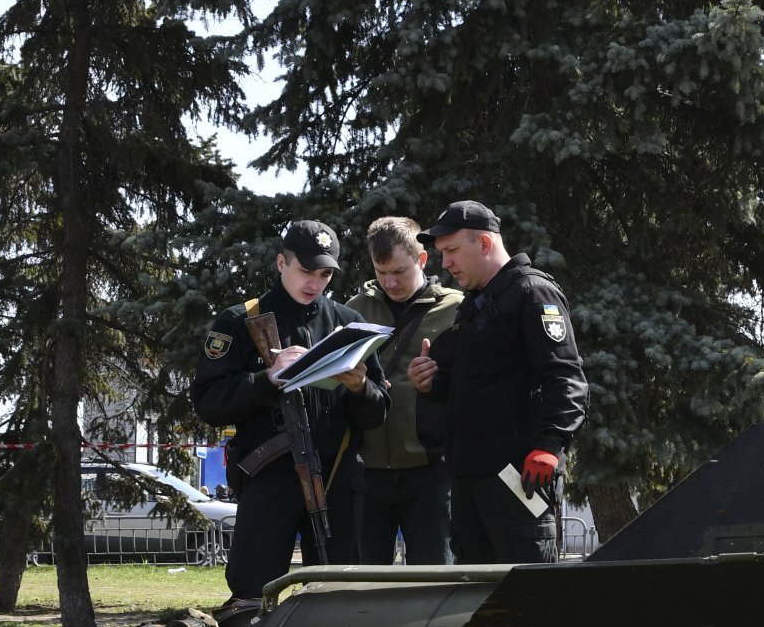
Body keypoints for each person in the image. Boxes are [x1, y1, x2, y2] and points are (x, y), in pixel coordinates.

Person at [193, 220, 390, 604]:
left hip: (336, 482)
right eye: (306, 270)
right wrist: (268, 378)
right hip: (270, 481)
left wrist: (359, 387)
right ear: (281, 262)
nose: (315, 283)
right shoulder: (240, 321)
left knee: (340, 598)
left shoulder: (349, 325)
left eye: (325, 274)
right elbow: (209, 402)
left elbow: (378, 414)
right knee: (252, 595)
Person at [405, 200, 586, 564]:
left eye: (452, 251)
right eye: (441, 253)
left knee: (526, 597)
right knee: (473, 599)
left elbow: (566, 377)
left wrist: (549, 445)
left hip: (518, 478)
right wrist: (431, 383)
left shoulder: (533, 293)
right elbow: (471, 387)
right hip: (470, 479)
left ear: (485, 244)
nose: (446, 263)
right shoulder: (475, 304)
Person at [347, 215, 464, 564]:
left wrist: (438, 380)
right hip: (367, 472)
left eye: (399, 271)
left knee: (433, 577)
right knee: (361, 580)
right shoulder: (354, 311)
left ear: (422, 259)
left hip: (431, 471)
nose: (390, 282)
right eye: (381, 272)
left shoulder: (457, 309)